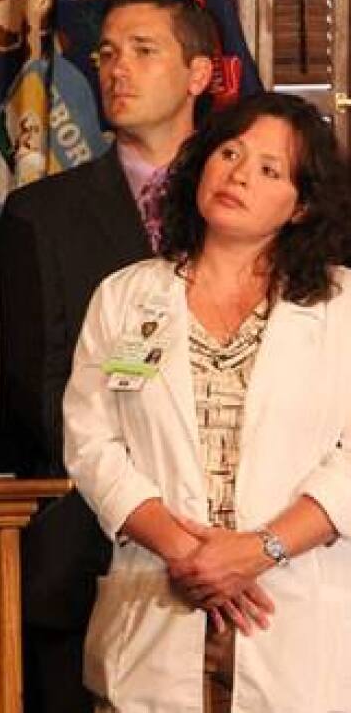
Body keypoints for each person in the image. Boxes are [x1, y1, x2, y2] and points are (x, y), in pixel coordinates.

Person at [64, 92, 351, 711]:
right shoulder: (126, 296)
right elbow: (91, 442)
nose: (239, 175)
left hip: (294, 610)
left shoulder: (341, 305)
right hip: (161, 601)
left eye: (270, 170)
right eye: (229, 153)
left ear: (301, 206)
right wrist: (189, 554)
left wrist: (260, 550)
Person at [0, 0, 219, 712]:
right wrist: (148, 511)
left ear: (199, 74)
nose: (117, 69)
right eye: (107, 54)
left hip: (252, 552)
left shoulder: (257, 200)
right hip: (91, 549)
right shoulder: (40, 215)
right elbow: (39, 388)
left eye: (143, 51)